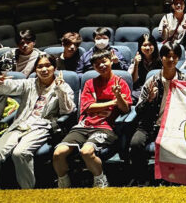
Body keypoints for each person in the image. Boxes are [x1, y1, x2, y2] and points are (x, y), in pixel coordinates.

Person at [0, 53, 75, 190]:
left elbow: (67, 110)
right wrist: (0, 82)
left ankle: (28, 192)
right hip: (20, 124)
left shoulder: (63, 86)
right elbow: (12, 86)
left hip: (41, 126)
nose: (44, 69)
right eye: (40, 66)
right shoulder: (30, 83)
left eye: (48, 66)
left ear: (55, 68)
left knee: (20, 153)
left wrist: (60, 90)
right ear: (35, 70)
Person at [53, 49, 132, 188]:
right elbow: (88, 107)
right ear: (94, 67)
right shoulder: (90, 83)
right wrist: (112, 102)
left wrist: (118, 96)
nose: (101, 65)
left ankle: (100, 179)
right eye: (97, 64)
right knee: (58, 153)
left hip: (105, 128)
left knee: (86, 152)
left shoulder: (121, 83)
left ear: (110, 61)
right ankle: (64, 182)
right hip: (84, 126)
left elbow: (125, 109)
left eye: (104, 61)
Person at [129, 42, 186, 184]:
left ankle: (174, 178)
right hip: (150, 124)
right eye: (167, 56)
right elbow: (138, 110)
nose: (171, 60)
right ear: (161, 57)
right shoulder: (152, 81)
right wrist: (149, 99)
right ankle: (141, 178)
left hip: (175, 126)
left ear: (178, 58)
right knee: (136, 144)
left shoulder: (185, 80)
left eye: (175, 57)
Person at [128, 33, 162, 102]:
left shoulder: (161, 60)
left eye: (150, 45)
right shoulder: (136, 60)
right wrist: (136, 64)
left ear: (154, 46)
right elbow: (133, 81)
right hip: (140, 90)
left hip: (157, 89)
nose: (147, 48)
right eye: (145, 45)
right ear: (140, 47)